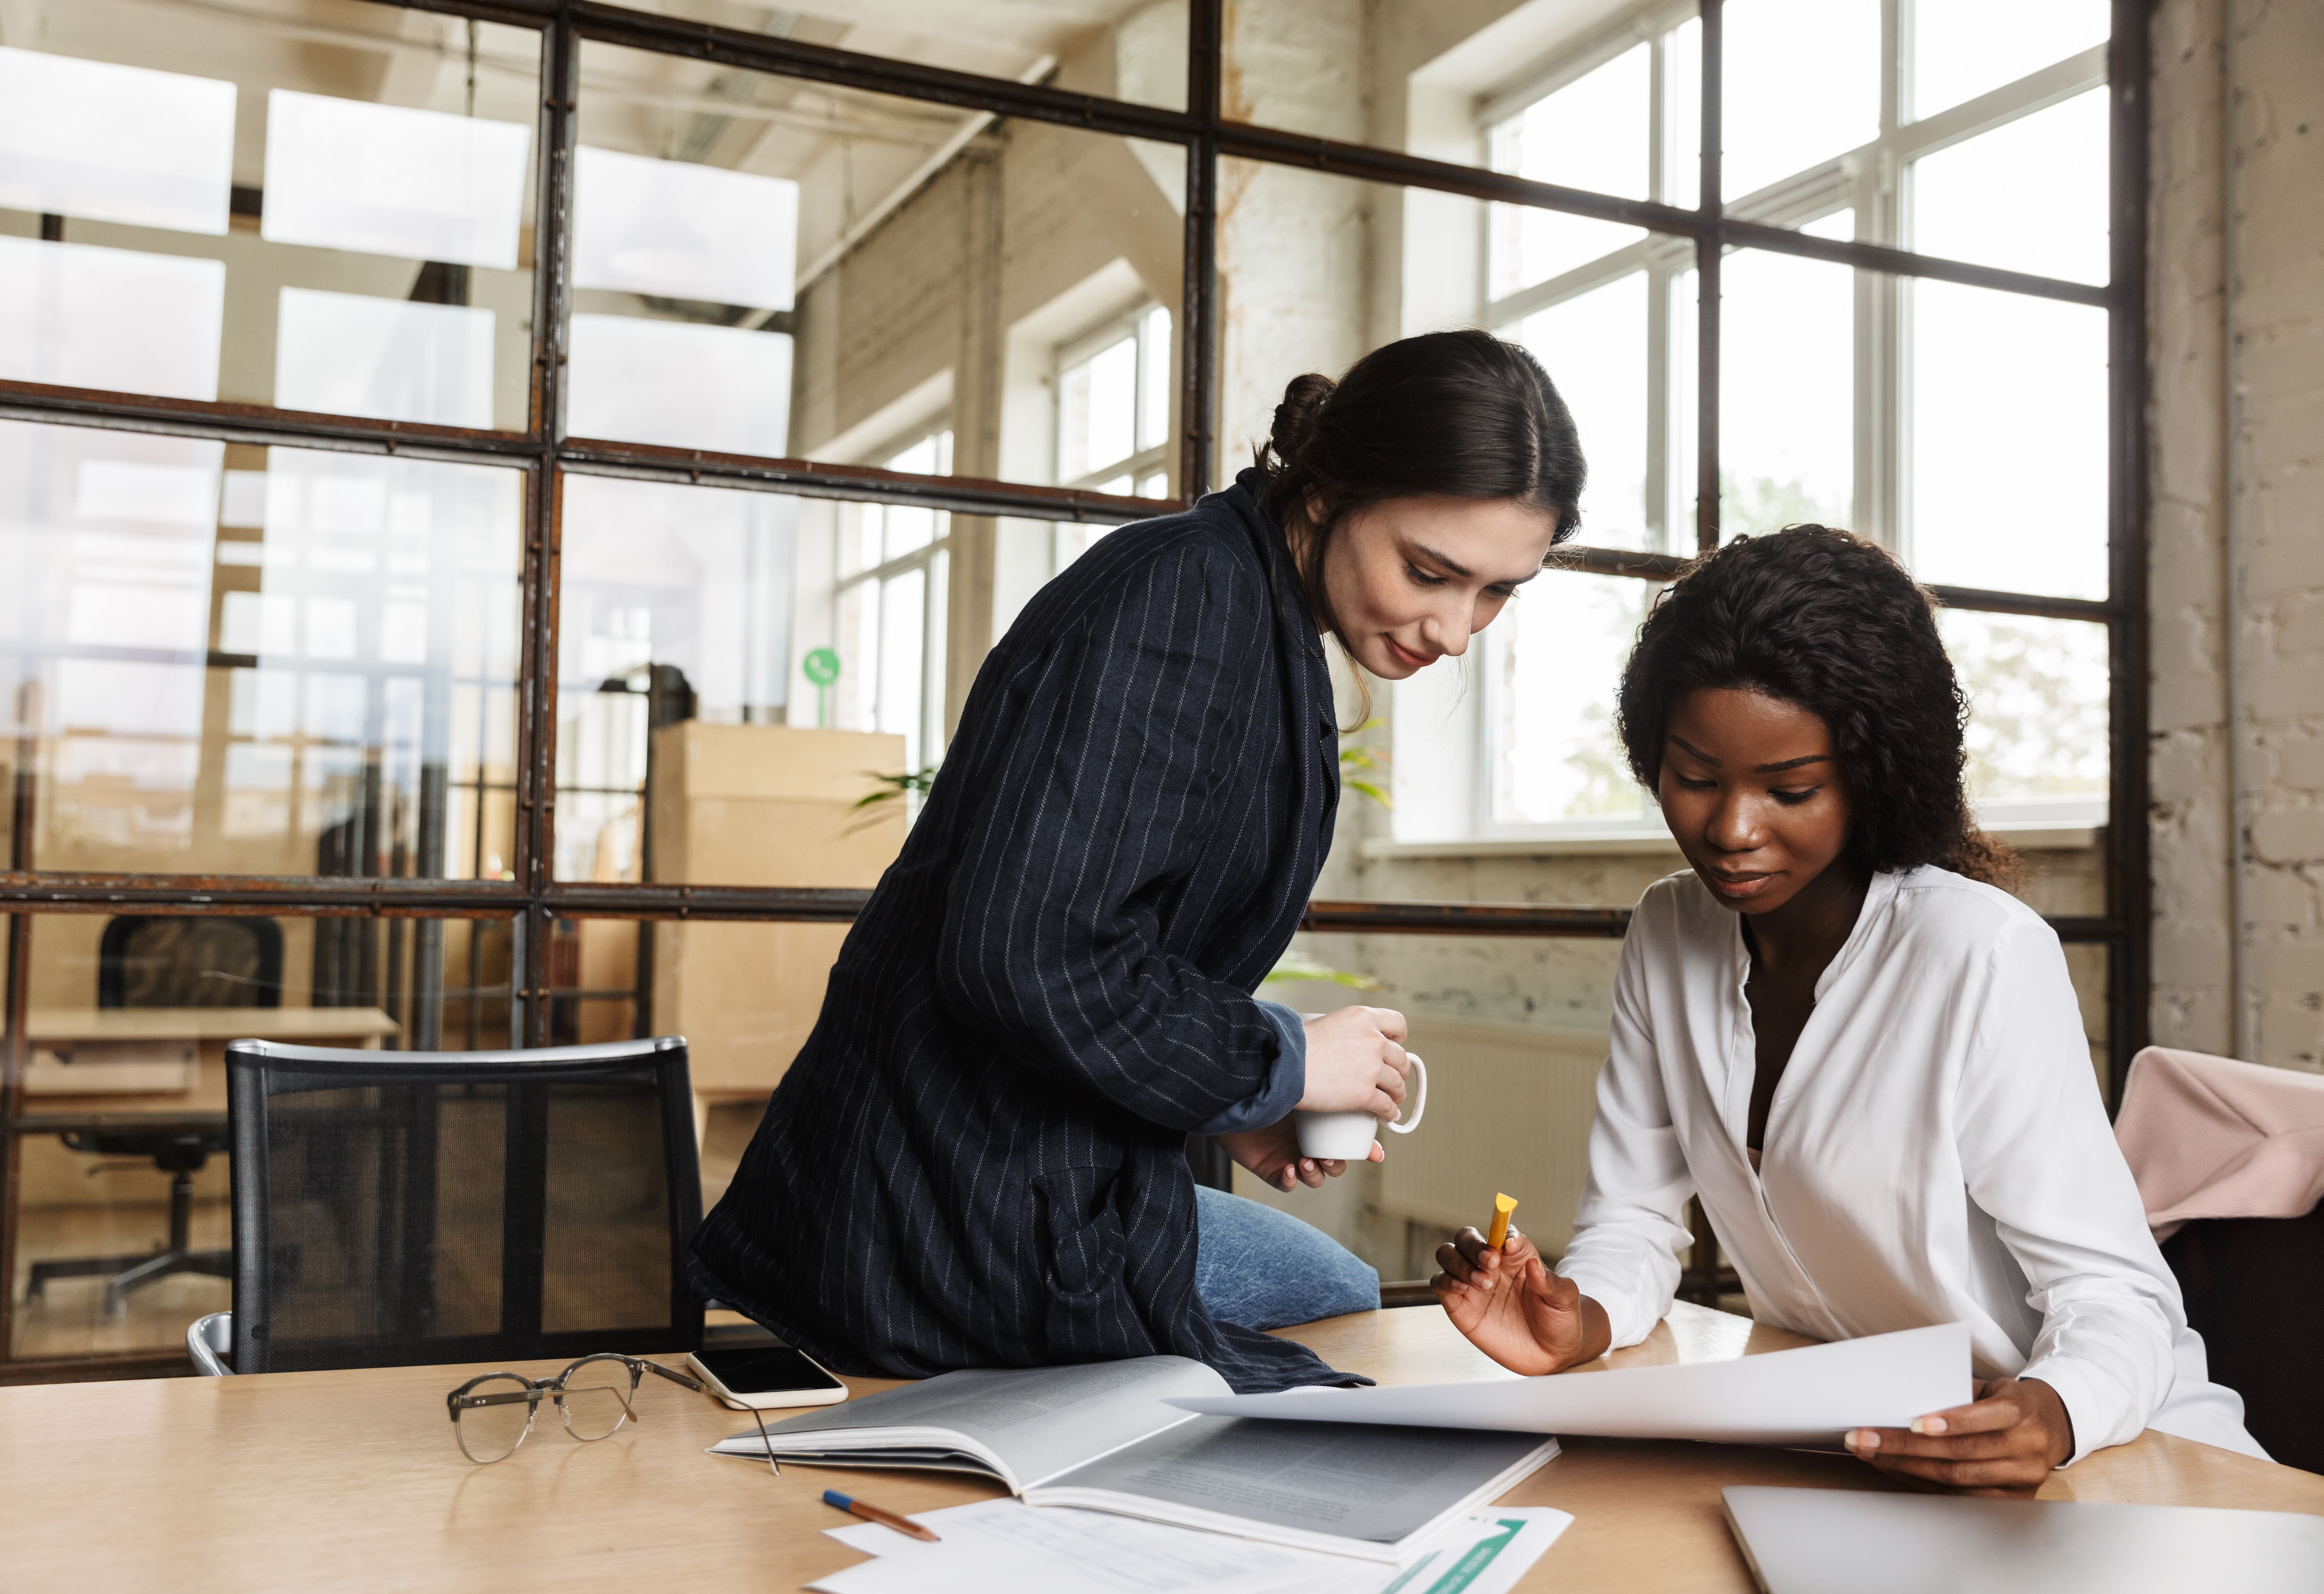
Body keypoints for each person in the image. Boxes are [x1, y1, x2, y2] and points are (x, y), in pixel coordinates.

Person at [692, 330, 1588, 1391]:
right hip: (941, 1199)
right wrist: (1283, 1059)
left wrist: (1233, 1104)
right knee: (1333, 1382)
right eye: (1429, 571)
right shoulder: (1185, 606)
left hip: (1002, 1169)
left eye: (1495, 593)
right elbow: (1027, 952)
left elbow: (1091, 937)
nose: (1454, 629)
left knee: (1330, 1298)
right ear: (1328, 489)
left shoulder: (1251, 609)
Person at [1434, 527, 2263, 1489]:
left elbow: (2116, 1296)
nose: (1732, 830)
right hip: (1869, 1448)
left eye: (1790, 790)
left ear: (1871, 774)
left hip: (2117, 1457)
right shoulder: (1668, 930)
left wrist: (2054, 1409)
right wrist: (1577, 1320)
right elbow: (1634, 1221)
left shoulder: (1979, 954)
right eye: (1696, 778)